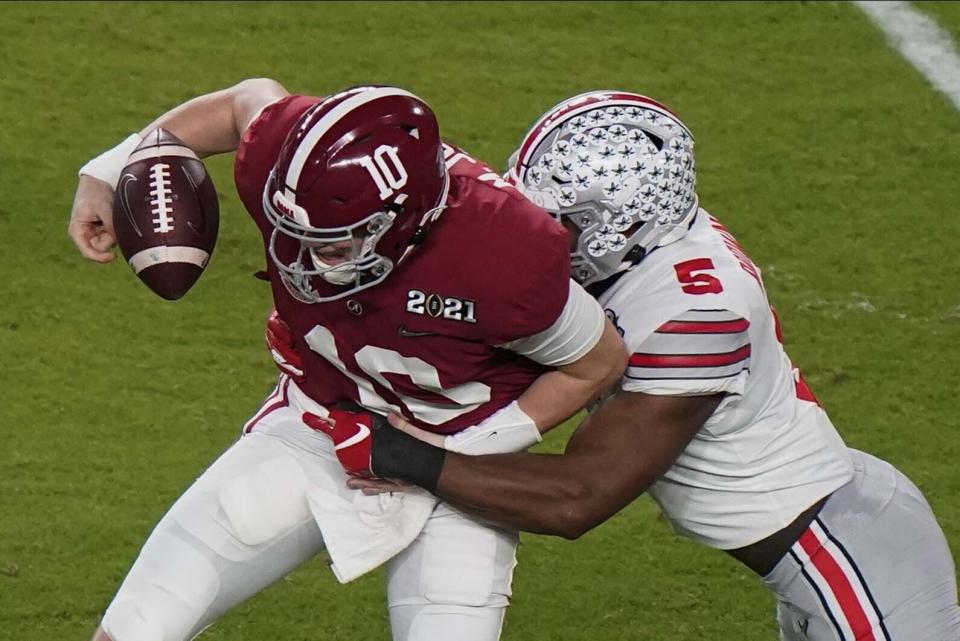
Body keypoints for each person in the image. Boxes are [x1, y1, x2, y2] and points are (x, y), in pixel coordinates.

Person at [313, 91, 960, 641]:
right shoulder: (649, 242)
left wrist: (402, 456)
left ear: (614, 227)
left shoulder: (696, 316)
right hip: (820, 539)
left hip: (843, 549)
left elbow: (579, 497)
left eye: (557, 220)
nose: (533, 233)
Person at [67, 79, 627, 641]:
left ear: (403, 225)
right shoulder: (286, 152)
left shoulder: (506, 253)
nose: (303, 257)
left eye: (333, 243)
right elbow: (244, 104)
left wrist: (446, 457)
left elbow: (595, 363)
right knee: (132, 630)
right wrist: (111, 170)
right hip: (319, 420)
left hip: (459, 456)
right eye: (295, 232)